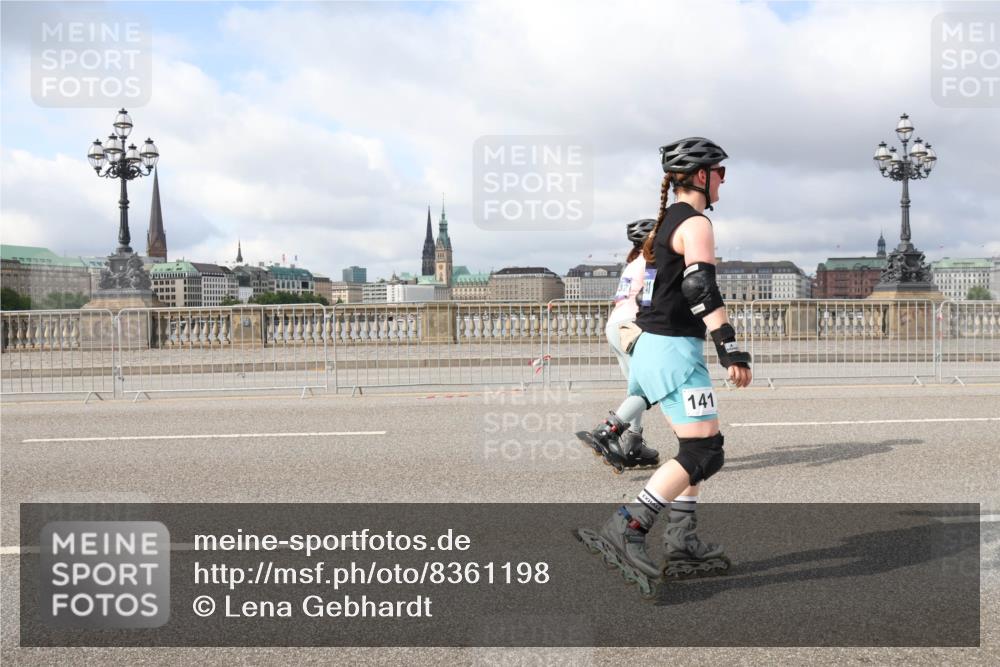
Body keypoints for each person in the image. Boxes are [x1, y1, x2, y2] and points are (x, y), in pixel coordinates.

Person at [575, 137, 752, 598]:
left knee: (697, 447)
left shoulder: (664, 221)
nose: (723, 180)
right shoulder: (696, 222)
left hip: (656, 347)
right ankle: (628, 525)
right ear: (701, 176)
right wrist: (729, 347)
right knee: (704, 452)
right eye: (720, 172)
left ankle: (682, 540)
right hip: (674, 351)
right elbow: (699, 286)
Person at [575, 218, 660, 471]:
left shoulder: (632, 264)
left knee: (636, 388)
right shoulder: (651, 264)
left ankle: (634, 444)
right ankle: (608, 431)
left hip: (615, 325)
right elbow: (651, 299)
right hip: (634, 325)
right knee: (649, 387)